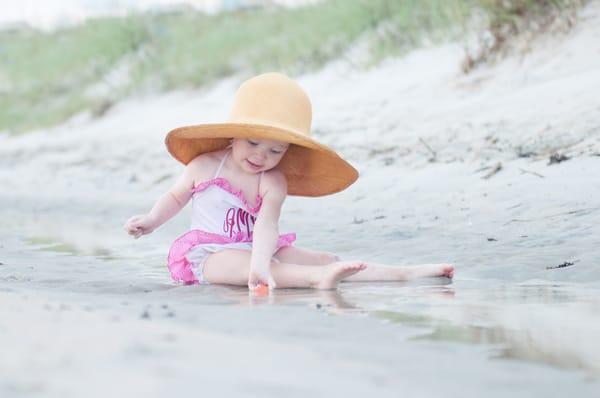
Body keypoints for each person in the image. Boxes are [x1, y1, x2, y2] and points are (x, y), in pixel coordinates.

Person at [124, 73, 454, 291]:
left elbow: (267, 226)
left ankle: (406, 272)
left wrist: (260, 261)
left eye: (275, 150)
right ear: (234, 133)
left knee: (323, 257)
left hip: (258, 245)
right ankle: (316, 280)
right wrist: (152, 220)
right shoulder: (206, 164)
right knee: (253, 265)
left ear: (287, 151)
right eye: (252, 143)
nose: (260, 156)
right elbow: (176, 196)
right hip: (211, 254)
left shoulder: (273, 181)